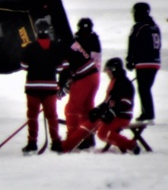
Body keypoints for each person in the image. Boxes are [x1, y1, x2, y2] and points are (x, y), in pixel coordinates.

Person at [64, 57, 140, 154]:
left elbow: (126, 104)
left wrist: (111, 112)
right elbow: (107, 102)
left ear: (113, 70)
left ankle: (131, 145)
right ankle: (66, 146)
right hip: (110, 115)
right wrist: (98, 110)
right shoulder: (114, 81)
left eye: (108, 70)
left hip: (121, 117)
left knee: (103, 133)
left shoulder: (124, 83)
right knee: (86, 125)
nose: (107, 73)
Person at [19, 19, 66, 153]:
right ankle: (56, 142)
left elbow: (23, 66)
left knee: (32, 116)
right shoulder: (56, 47)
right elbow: (61, 67)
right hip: (50, 87)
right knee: (52, 116)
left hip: (32, 87)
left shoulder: (30, 47)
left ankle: (32, 142)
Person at [57, 18, 102, 150]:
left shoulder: (66, 43)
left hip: (85, 77)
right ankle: (88, 138)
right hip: (93, 76)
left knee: (71, 109)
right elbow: (96, 59)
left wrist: (61, 87)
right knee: (86, 109)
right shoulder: (87, 39)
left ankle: (72, 139)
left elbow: (65, 68)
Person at [125, 2, 161, 124]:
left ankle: (148, 114)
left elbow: (133, 44)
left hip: (143, 63)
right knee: (146, 88)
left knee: (143, 89)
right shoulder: (154, 26)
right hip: (155, 62)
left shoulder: (139, 26)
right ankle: (148, 113)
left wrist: (130, 60)